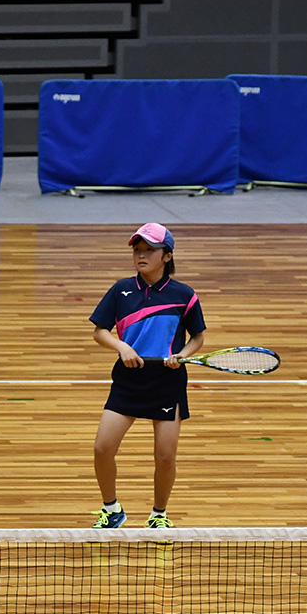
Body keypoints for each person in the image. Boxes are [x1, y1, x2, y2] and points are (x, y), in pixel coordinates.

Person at [87, 223, 206, 529]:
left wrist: (182, 356)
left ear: (167, 256)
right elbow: (100, 331)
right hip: (129, 379)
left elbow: (197, 338)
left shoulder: (184, 295)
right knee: (102, 448)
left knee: (165, 456)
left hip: (167, 381)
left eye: (149, 251)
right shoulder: (121, 290)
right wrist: (121, 346)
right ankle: (111, 509)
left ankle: (159, 515)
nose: (141, 256)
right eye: (137, 250)